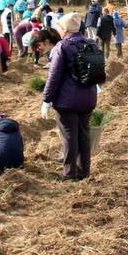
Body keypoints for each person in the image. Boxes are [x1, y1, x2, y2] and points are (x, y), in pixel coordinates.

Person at [40, 12, 98, 180]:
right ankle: (84, 171)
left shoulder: (62, 47)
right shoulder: (91, 44)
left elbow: (54, 76)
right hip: (88, 99)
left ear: (64, 28)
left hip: (67, 101)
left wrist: (46, 100)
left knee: (69, 137)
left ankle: (69, 174)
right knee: (83, 135)